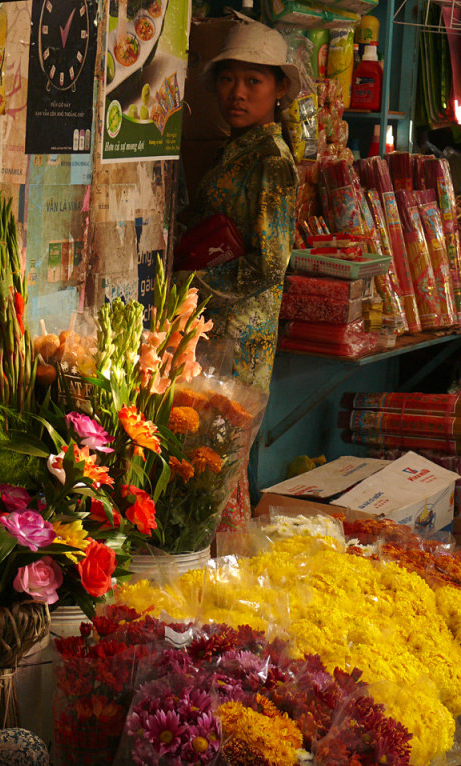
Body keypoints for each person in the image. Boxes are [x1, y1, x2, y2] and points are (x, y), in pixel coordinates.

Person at [183, 17, 300, 537]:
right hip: (216, 333)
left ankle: (228, 579)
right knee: (209, 466)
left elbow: (271, 262)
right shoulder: (238, 149)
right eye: (229, 78)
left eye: (254, 81)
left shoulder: (271, 161)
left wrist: (196, 279)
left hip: (240, 341)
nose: (238, 92)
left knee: (220, 469)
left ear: (278, 90)